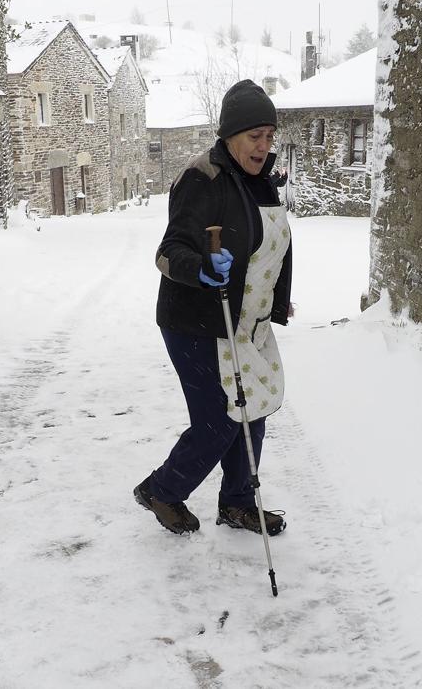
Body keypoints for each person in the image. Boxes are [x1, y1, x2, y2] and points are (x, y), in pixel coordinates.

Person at [134, 79, 294, 537]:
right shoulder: (201, 178)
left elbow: (268, 244)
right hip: (198, 323)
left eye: (269, 136)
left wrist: (275, 299)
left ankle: (238, 503)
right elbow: (168, 252)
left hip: (248, 322)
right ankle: (162, 490)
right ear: (229, 135)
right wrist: (201, 266)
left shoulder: (260, 181)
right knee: (218, 420)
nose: (263, 146)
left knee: (253, 407)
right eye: (254, 137)